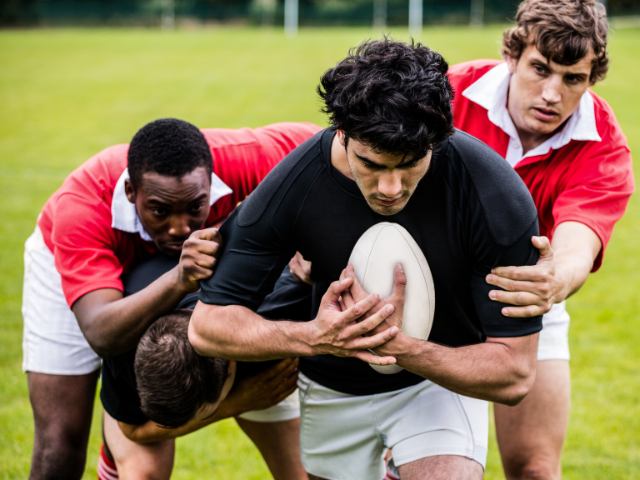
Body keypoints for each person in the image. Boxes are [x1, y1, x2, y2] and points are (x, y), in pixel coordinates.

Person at [189, 38, 543, 480]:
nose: (391, 187)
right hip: (333, 387)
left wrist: (403, 349)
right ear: (342, 133)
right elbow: (208, 326)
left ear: (439, 138)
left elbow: (515, 372)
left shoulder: (495, 196)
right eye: (372, 164)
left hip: (439, 380)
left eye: (410, 163)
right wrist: (317, 337)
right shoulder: (294, 186)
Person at [22, 117, 320, 479]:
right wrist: (180, 278)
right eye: (160, 211)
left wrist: (311, 239)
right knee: (61, 441)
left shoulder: (246, 157)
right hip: (79, 279)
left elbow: (335, 147)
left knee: (300, 461)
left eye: (196, 207)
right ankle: (116, 450)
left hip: (191, 287)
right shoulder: (81, 207)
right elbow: (102, 333)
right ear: (131, 192)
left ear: (211, 182)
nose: (181, 228)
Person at [446, 1, 634, 478]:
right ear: (512, 55)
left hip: (527, 296)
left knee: (535, 468)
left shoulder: (603, 145)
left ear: (591, 79)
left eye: (573, 78)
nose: (552, 93)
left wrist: (554, 281)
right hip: (429, 292)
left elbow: (578, 241)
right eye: (540, 69)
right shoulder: (446, 94)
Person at [98, 255, 312, 479]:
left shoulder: (285, 304)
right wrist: (233, 404)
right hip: (145, 289)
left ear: (230, 362)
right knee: (141, 473)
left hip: (263, 360)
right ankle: (111, 461)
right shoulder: (123, 338)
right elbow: (132, 429)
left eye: (204, 413)